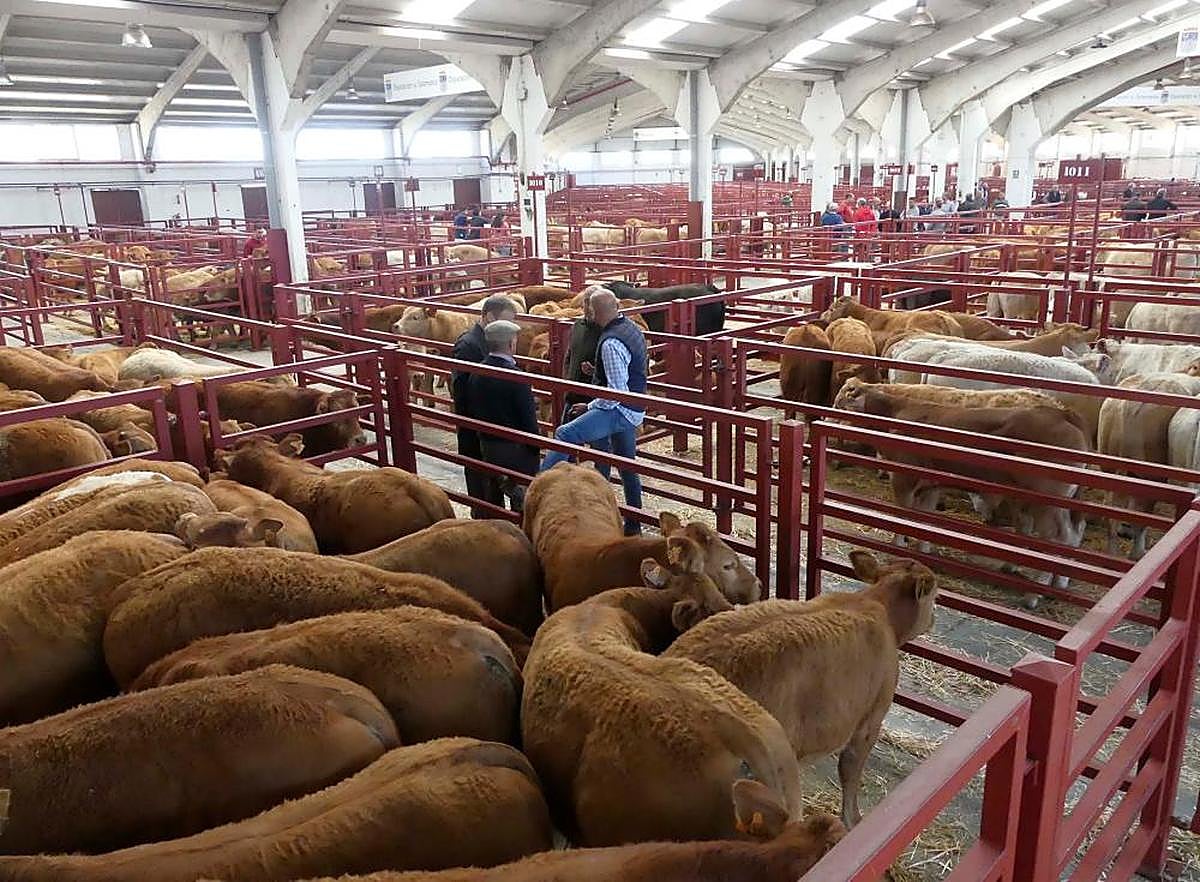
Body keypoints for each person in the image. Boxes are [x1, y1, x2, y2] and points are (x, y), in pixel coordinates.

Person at [540, 290, 646, 536]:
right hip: (633, 408)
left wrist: (589, 406)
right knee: (627, 465)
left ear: (596, 313)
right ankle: (634, 524)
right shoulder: (630, 327)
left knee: (565, 433)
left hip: (619, 410)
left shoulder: (610, 342)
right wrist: (597, 373)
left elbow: (615, 393)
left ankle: (538, 485)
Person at [451, 294, 519, 517]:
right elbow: (461, 393)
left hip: (491, 431)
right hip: (477, 432)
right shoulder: (468, 346)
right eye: (505, 322)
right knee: (483, 495)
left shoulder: (479, 342)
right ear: (489, 316)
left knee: (493, 488)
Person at [465, 320, 540, 513]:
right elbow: (528, 419)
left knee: (493, 492)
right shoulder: (516, 377)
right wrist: (535, 448)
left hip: (488, 445)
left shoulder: (477, 372)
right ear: (511, 344)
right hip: (515, 450)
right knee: (521, 497)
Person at [563, 286, 603, 419]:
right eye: (586, 302)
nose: (588, 307)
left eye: (592, 303)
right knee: (565, 431)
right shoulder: (577, 325)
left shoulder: (606, 329)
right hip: (573, 392)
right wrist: (567, 380)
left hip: (594, 395)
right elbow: (569, 354)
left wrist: (595, 371)